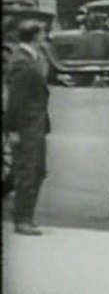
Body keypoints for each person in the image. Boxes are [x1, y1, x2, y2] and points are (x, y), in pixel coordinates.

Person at [5, 20, 50, 235]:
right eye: (42, 32)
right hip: (27, 125)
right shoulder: (22, 62)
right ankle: (22, 218)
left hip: (36, 123)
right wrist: (13, 130)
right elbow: (16, 100)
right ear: (34, 36)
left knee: (37, 170)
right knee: (28, 171)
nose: (45, 35)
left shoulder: (33, 57)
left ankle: (26, 216)